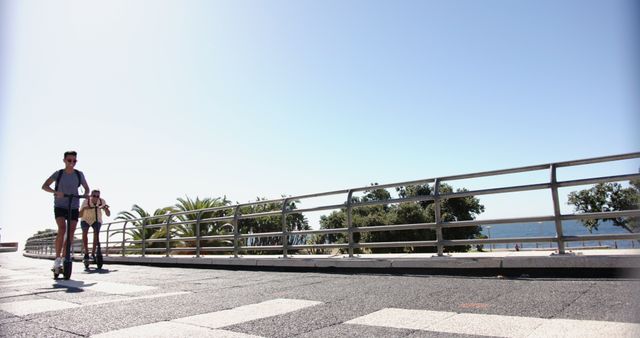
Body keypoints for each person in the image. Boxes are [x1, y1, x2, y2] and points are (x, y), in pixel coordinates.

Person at [41, 151, 90, 271]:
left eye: (74, 161)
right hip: (60, 206)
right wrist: (56, 192)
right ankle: (57, 259)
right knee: (62, 229)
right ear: (64, 160)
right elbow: (44, 186)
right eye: (69, 160)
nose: (72, 163)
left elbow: (87, 188)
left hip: (73, 206)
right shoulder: (59, 174)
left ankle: (64, 258)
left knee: (71, 232)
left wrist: (85, 194)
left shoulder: (79, 174)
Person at [79, 189, 110, 263]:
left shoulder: (102, 201)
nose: (96, 197)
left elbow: (108, 214)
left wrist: (106, 209)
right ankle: (86, 252)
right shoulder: (86, 201)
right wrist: (84, 208)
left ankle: (93, 253)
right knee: (85, 232)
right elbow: (79, 215)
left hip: (96, 219)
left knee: (96, 233)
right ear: (90, 196)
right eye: (94, 196)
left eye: (97, 196)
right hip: (85, 219)